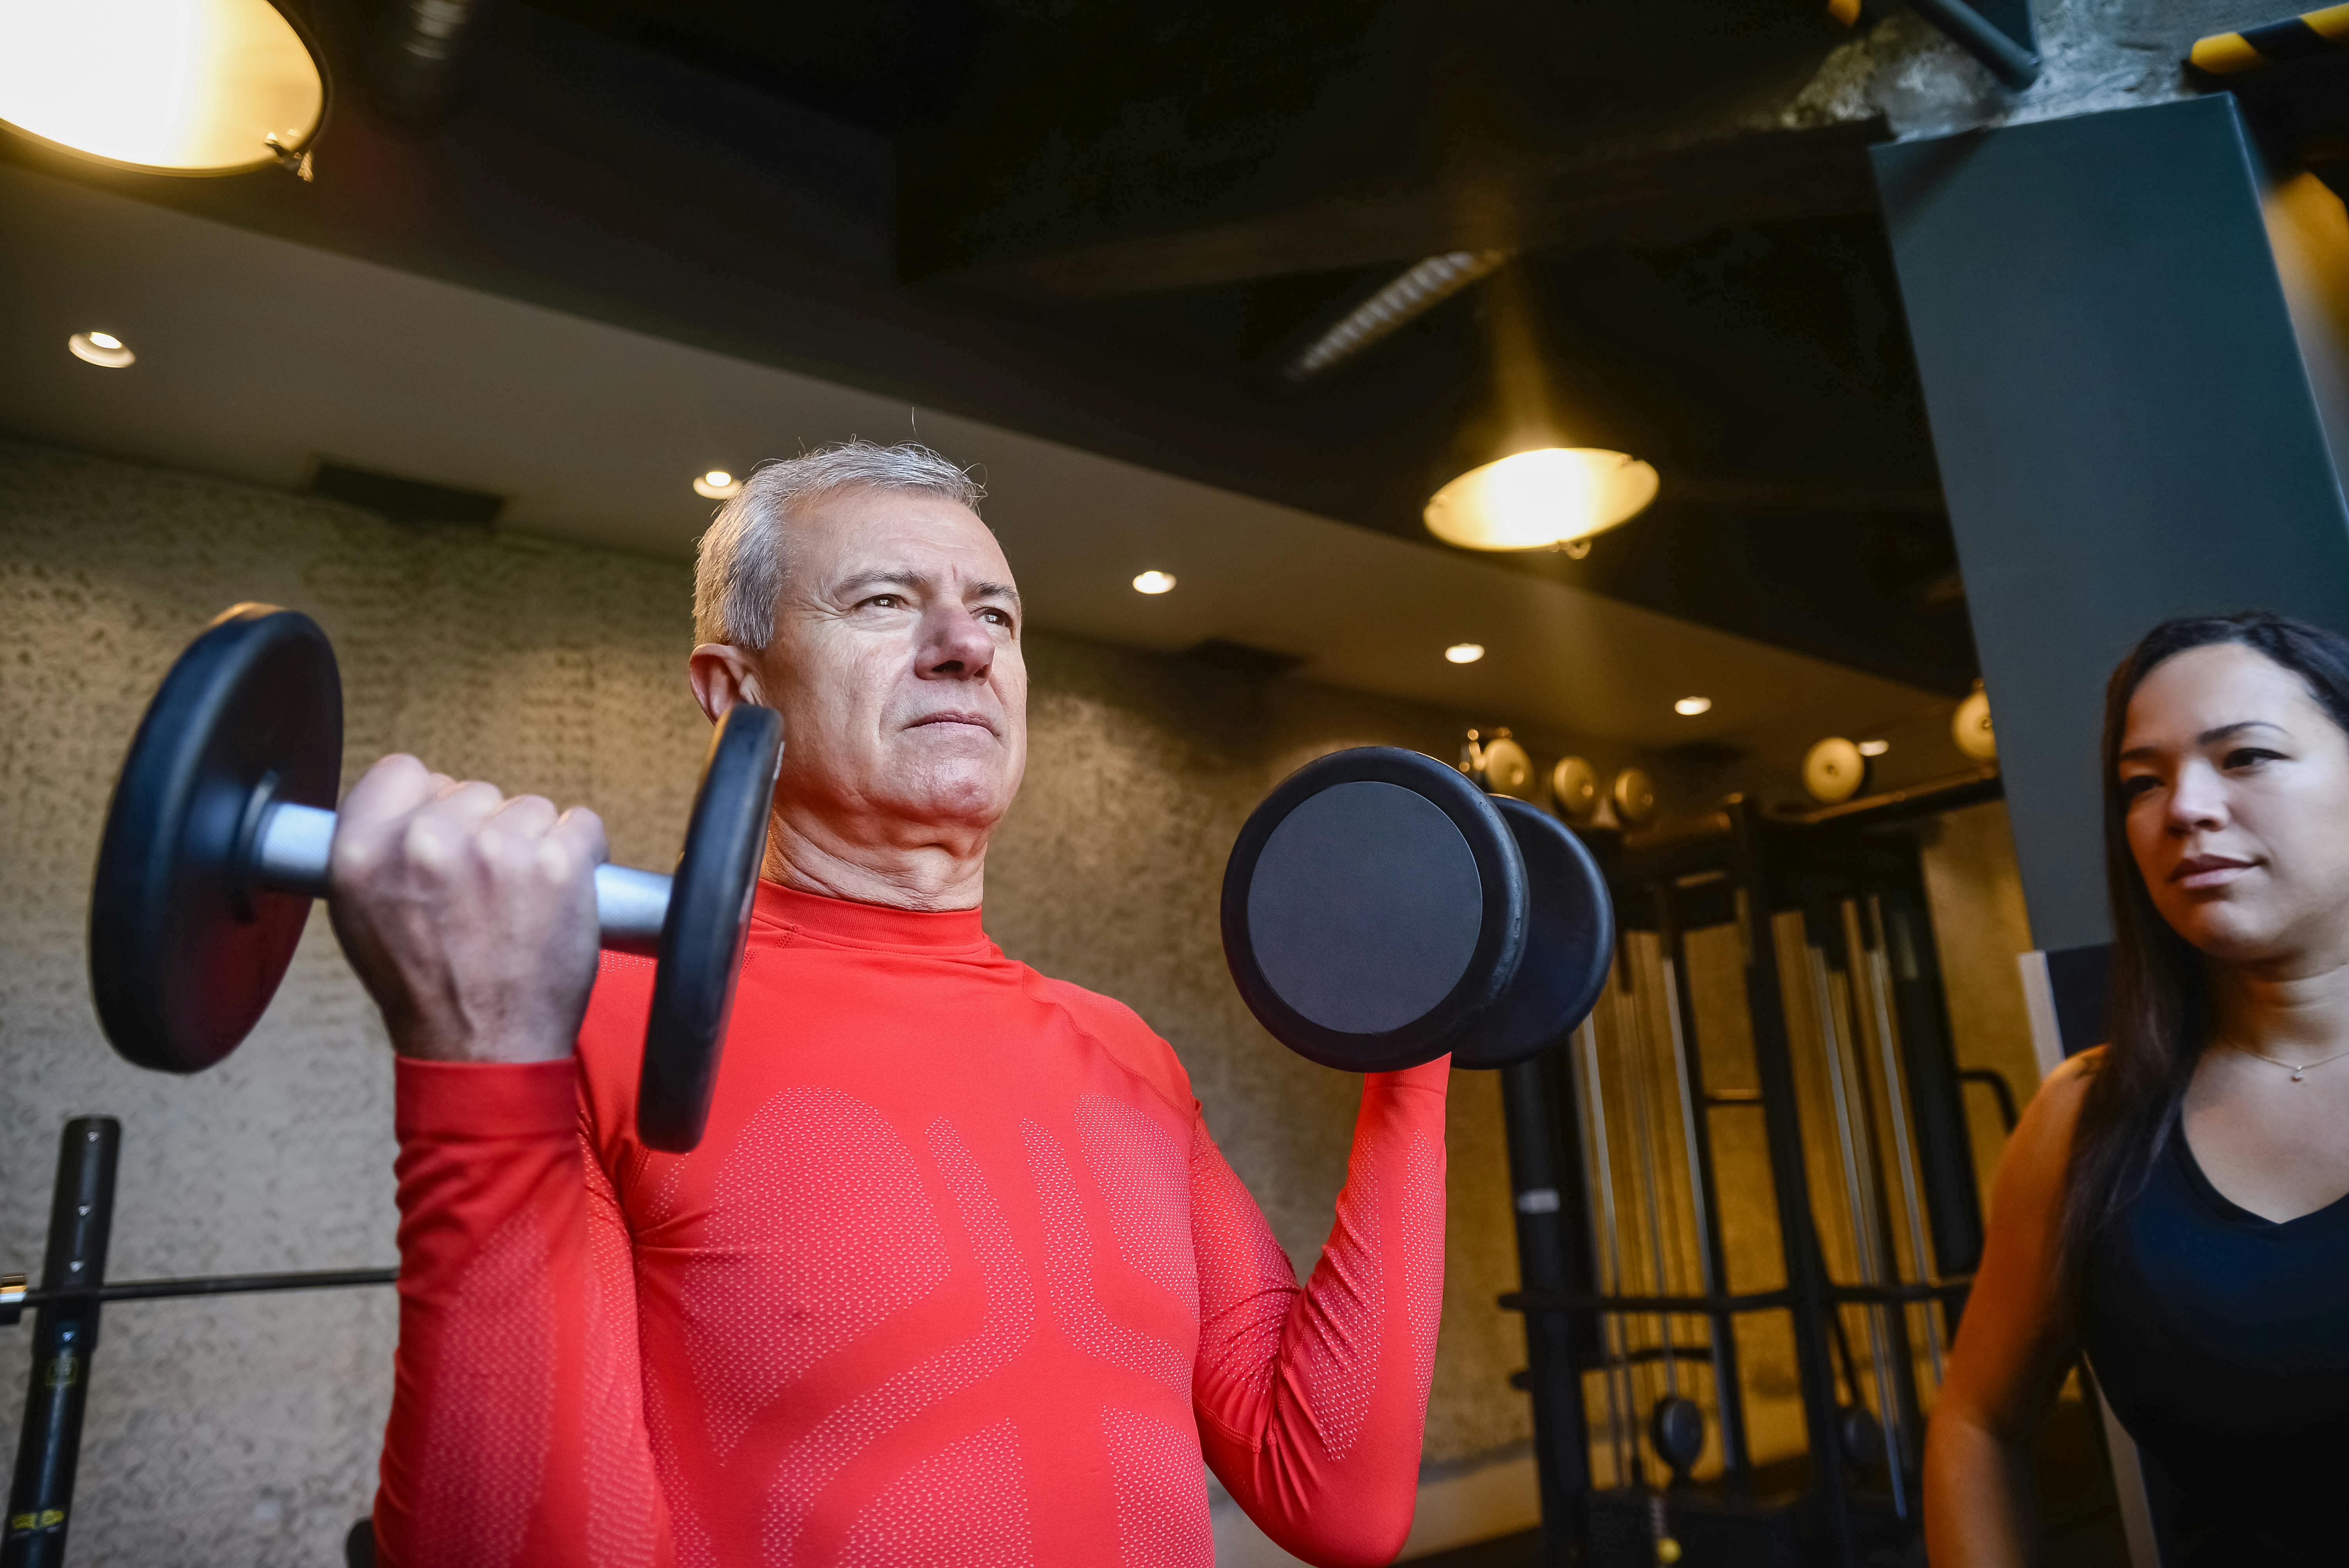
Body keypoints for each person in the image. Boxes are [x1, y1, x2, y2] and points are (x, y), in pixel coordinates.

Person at [327, 441, 1450, 1568]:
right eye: (882, 601)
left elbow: (1334, 1495)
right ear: (734, 690)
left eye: (999, 618)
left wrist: (1418, 1034)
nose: (966, 647)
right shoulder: (584, 1027)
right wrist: (479, 1062)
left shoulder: (1125, 1053)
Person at [1924, 611, 2349, 1565]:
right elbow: (1975, 1422)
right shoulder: (2084, 1118)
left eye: (2243, 758)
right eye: (2141, 782)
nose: (2182, 808)